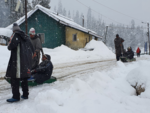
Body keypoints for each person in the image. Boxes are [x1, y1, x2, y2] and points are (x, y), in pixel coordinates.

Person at [6, 23, 33, 103]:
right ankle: (25, 94)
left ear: (14, 29)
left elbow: (10, 46)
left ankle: (16, 96)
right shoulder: (26, 37)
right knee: (24, 77)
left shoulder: (15, 35)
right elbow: (31, 49)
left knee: (14, 78)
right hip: (25, 61)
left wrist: (10, 41)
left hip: (17, 61)